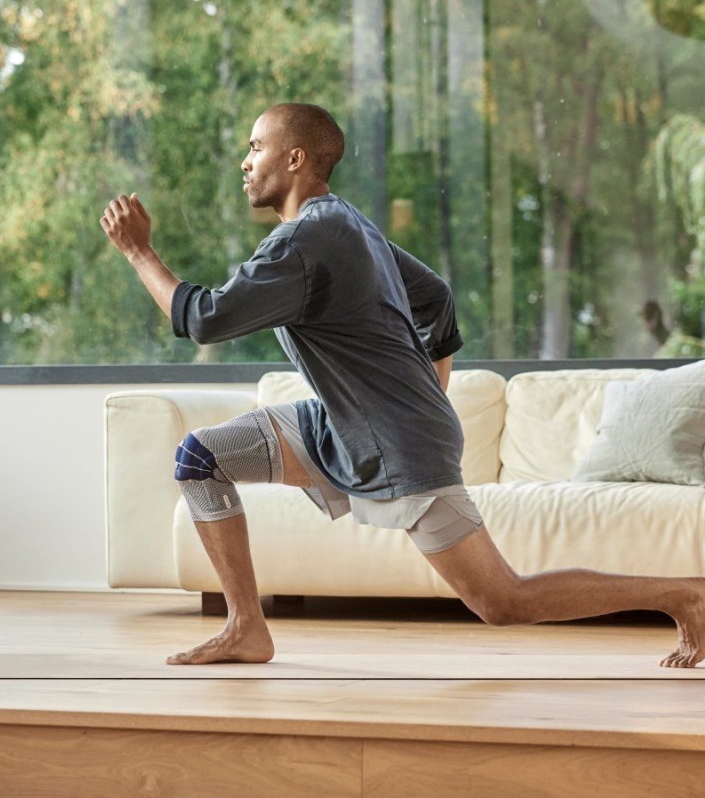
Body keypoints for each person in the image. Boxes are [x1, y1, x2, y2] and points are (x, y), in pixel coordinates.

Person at [100, 102, 704, 669]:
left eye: (256, 146)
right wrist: (422, 392)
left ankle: (683, 594)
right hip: (341, 423)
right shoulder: (344, 224)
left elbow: (203, 318)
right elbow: (435, 298)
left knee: (502, 602)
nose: (245, 160)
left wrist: (138, 251)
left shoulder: (302, 242)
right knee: (200, 459)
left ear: (296, 159)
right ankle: (246, 626)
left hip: (397, 440)